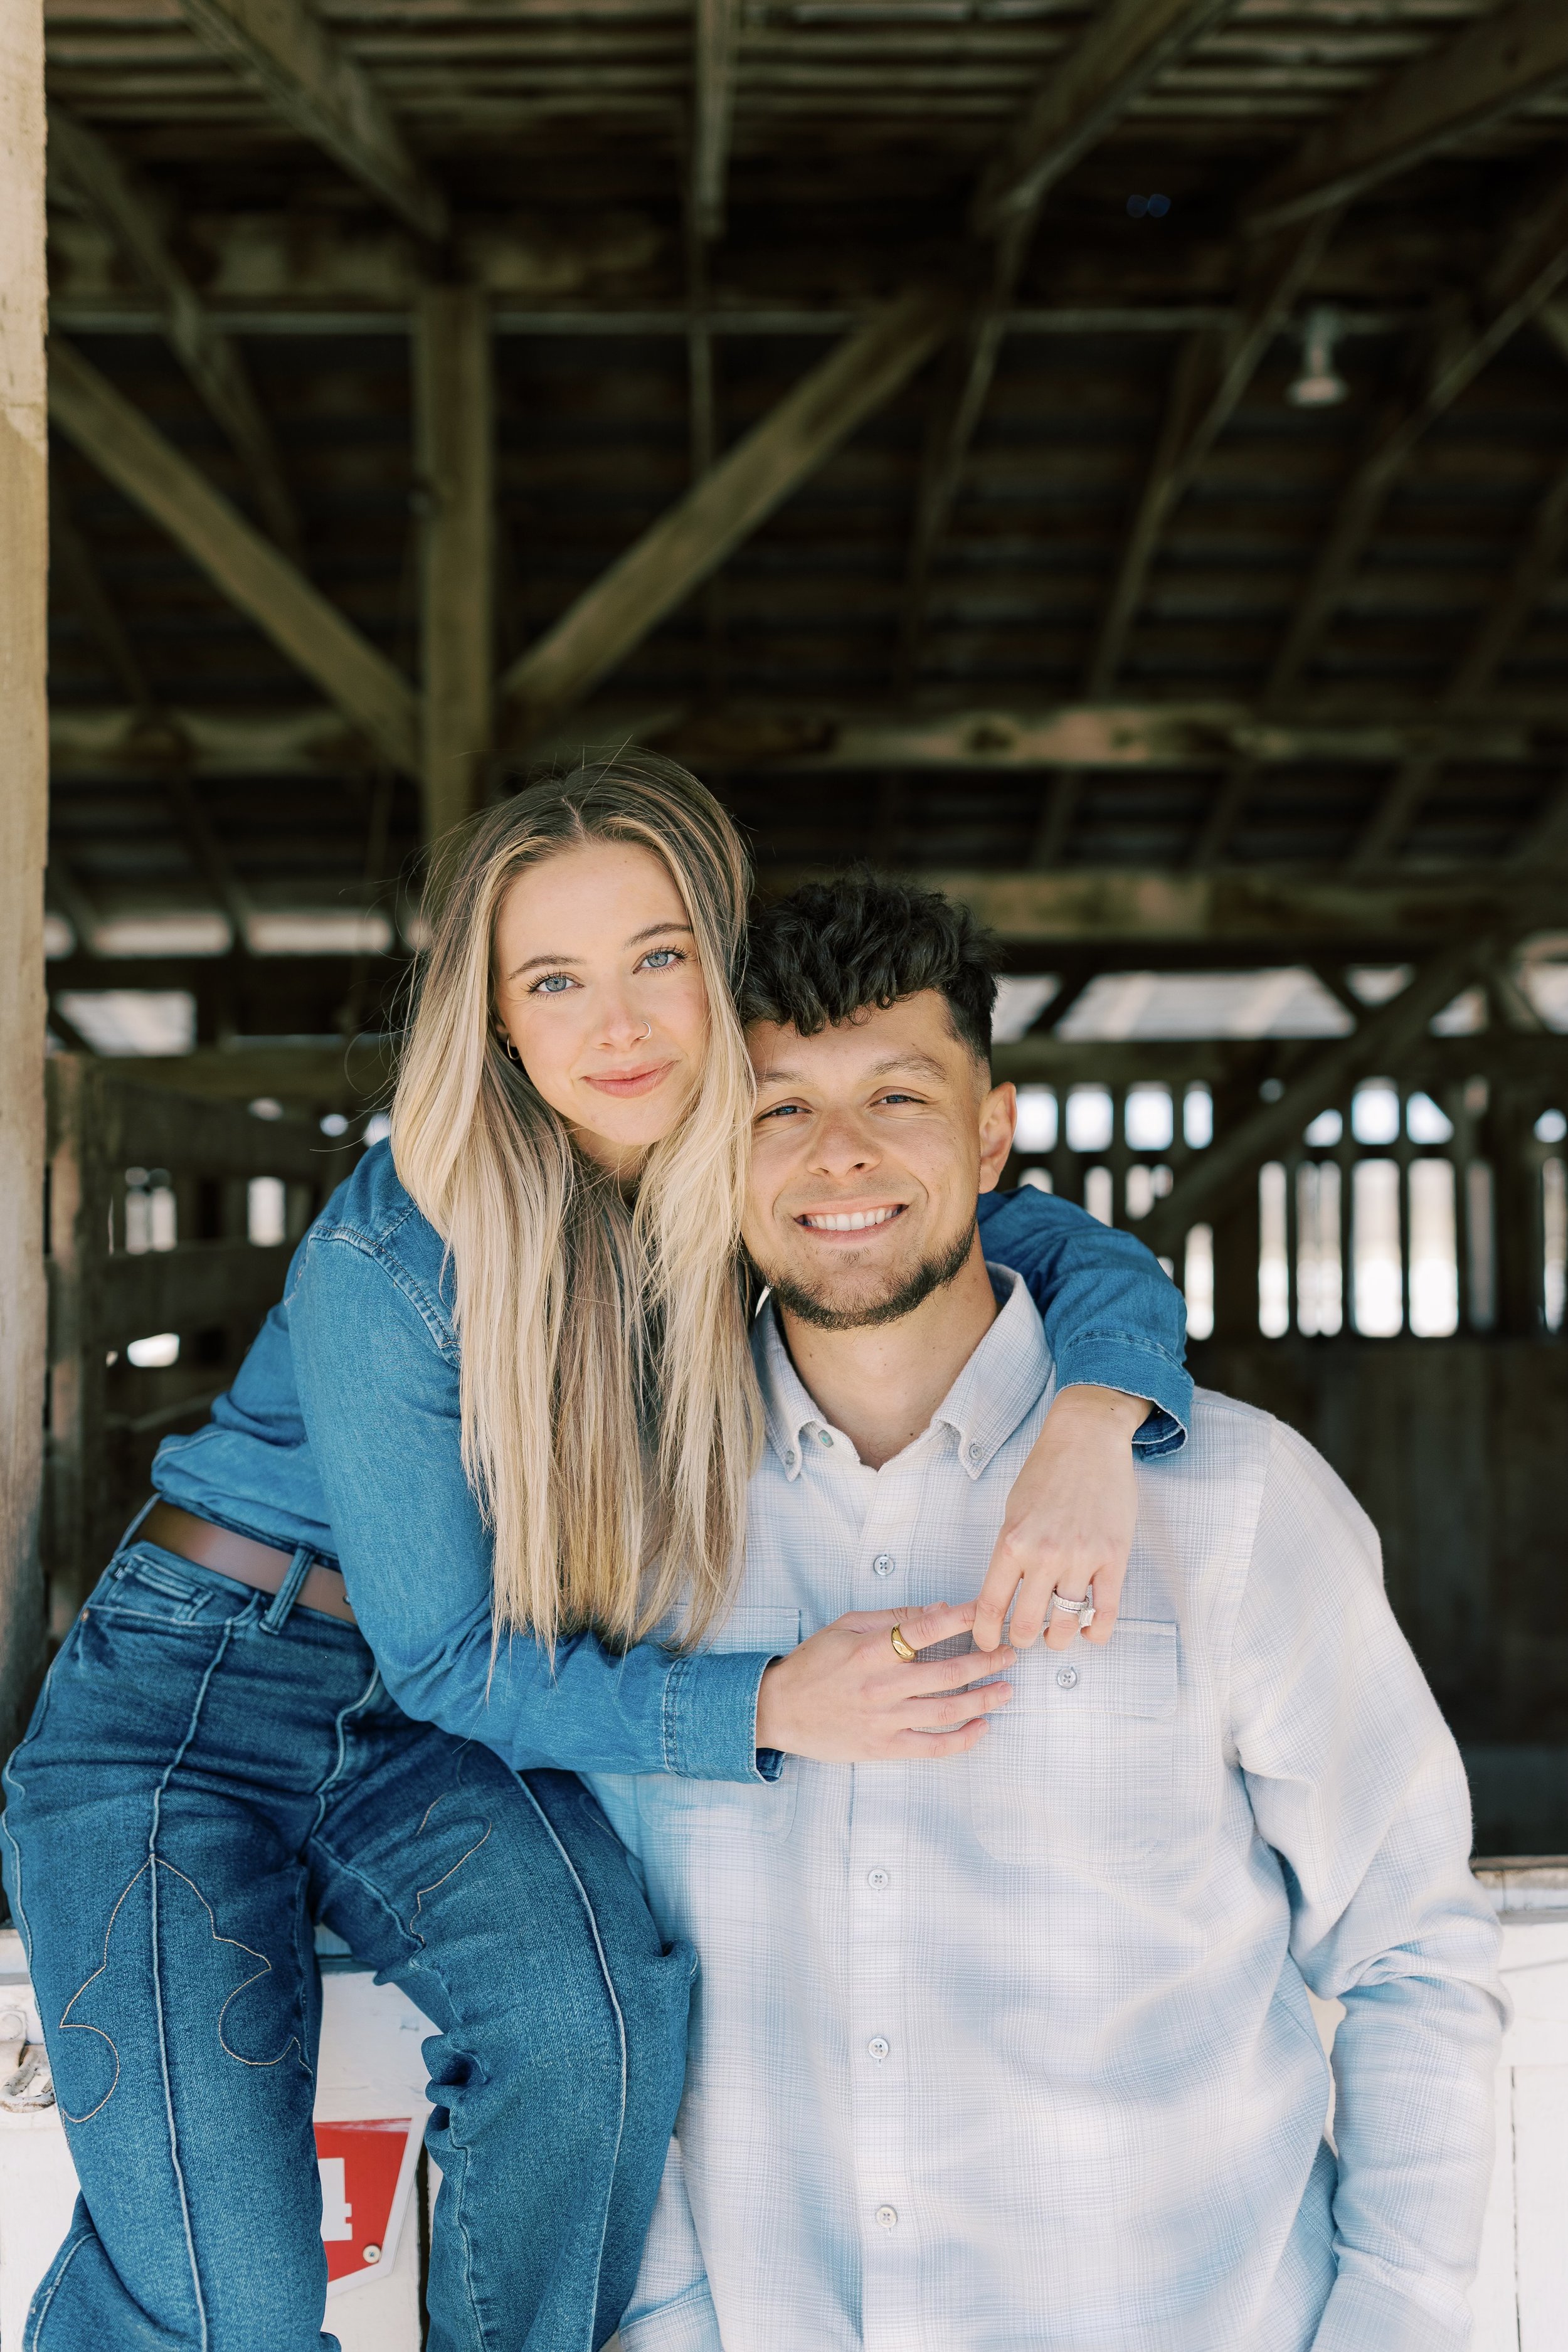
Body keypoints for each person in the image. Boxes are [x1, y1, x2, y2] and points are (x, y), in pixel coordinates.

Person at [3, 760, 1192, 2352]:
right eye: (552, 981)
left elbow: (1031, 1237)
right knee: (234, 2312)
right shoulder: (398, 1250)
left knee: (598, 2032)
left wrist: (1096, 1418)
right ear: (494, 1020)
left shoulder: (745, 1179)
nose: (616, 1024)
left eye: (655, 960)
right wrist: (759, 1706)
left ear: (718, 960)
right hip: (195, 1705)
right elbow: (444, 1655)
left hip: (434, 1728)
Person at [588, 871, 1508, 2352]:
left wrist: (1394, 2327)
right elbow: (598, 1961)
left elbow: (1410, 1950)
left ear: (992, 1130)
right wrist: (671, 2315)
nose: (839, 1157)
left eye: (897, 1096)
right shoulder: (627, 1535)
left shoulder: (1232, 1503)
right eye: (776, 1108)